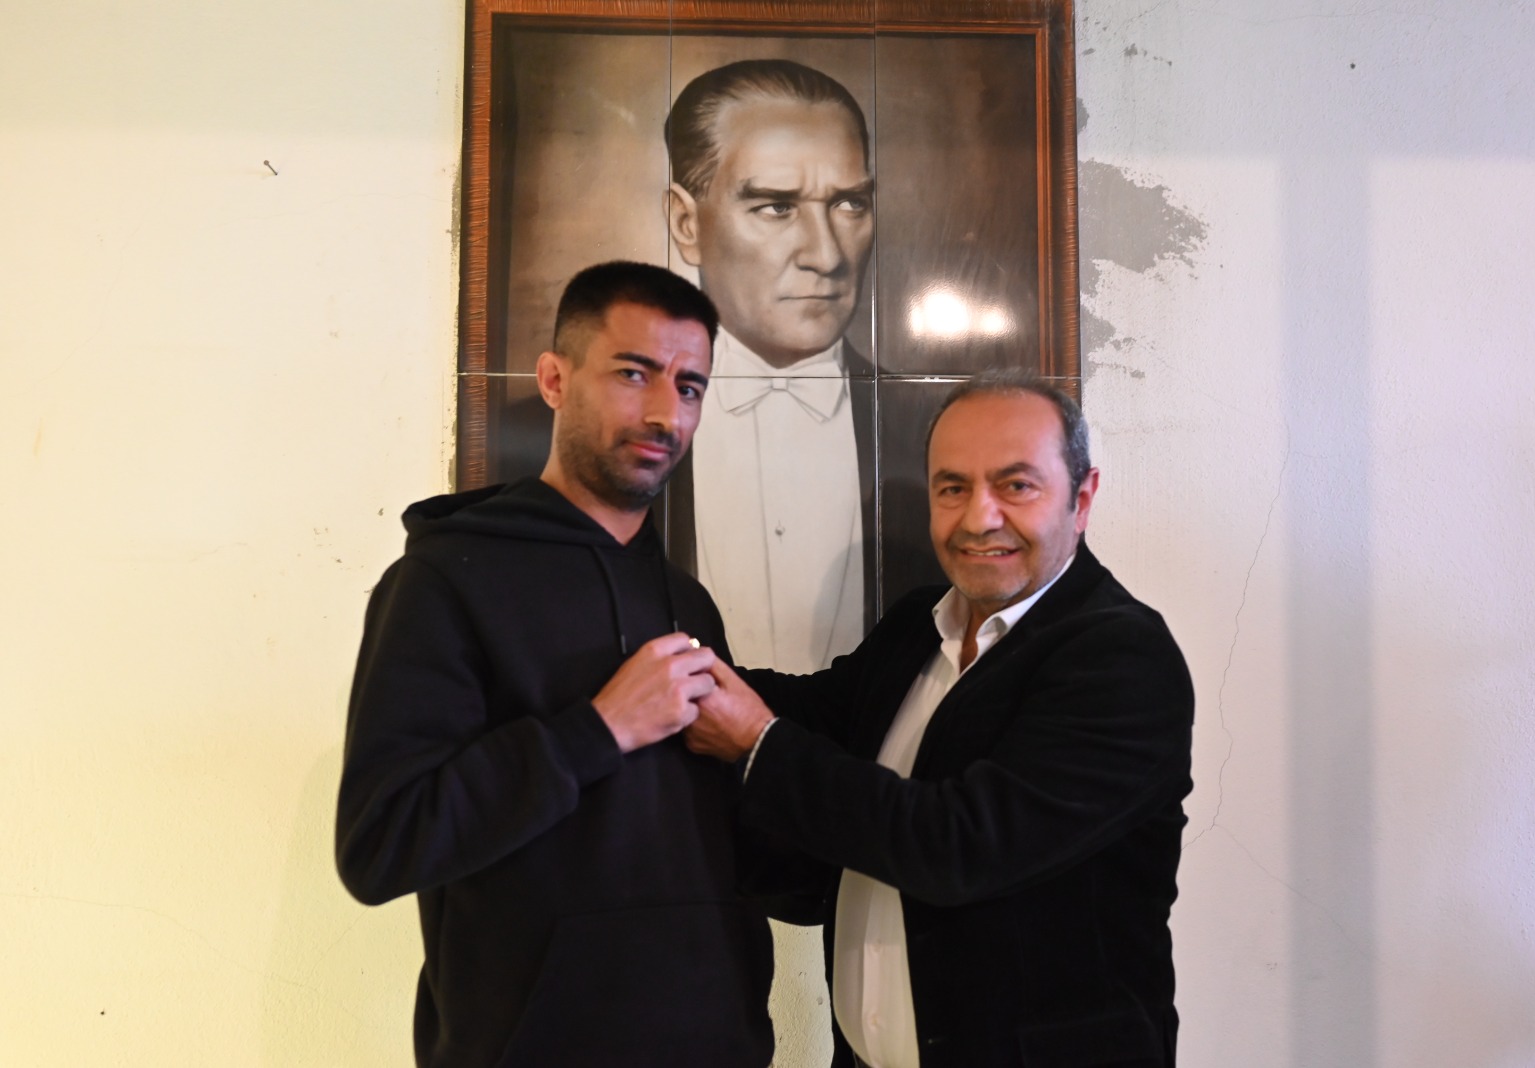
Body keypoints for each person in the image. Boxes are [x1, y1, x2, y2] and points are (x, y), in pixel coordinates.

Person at [685, 370, 1194, 1068]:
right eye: (952, 488)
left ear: (1081, 499)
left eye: (1016, 486)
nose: (979, 518)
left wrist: (754, 742)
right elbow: (812, 712)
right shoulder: (916, 626)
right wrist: (670, 664)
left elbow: (958, 847)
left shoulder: (1123, 659)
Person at [335, 261, 774, 1067]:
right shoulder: (442, 582)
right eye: (633, 373)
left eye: (689, 387)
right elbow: (381, 844)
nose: (664, 413)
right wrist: (597, 732)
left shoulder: (688, 602)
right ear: (553, 380)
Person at [663, 58, 878, 675]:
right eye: (777, 207)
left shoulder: (930, 431)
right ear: (686, 224)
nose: (827, 255)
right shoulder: (606, 432)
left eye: (849, 204)